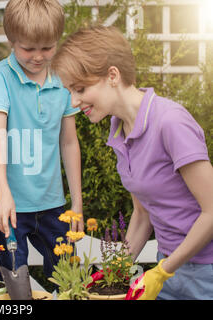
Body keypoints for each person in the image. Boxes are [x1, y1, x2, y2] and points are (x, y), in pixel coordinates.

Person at [51, 25, 213, 300]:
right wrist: (117, 269)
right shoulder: (119, 130)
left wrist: (162, 271)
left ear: (112, 75)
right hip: (169, 265)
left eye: (80, 89)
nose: (74, 101)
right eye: (70, 91)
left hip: (206, 273)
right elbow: (142, 214)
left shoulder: (169, 122)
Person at [0, 0, 83, 281]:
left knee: (67, 279)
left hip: (53, 205)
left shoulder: (62, 78)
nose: (38, 56)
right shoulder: (1, 76)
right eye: (28, 48)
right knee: (15, 280)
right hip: (10, 205)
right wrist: (2, 192)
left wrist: (76, 202)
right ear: (11, 40)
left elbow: (69, 143)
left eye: (47, 48)